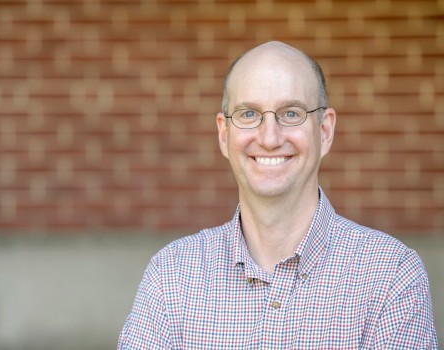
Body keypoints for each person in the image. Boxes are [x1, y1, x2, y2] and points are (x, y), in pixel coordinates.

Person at [117, 41, 438, 349]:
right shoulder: (172, 275)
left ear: (324, 131)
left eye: (291, 113)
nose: (269, 138)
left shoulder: (390, 275)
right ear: (224, 134)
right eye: (248, 114)